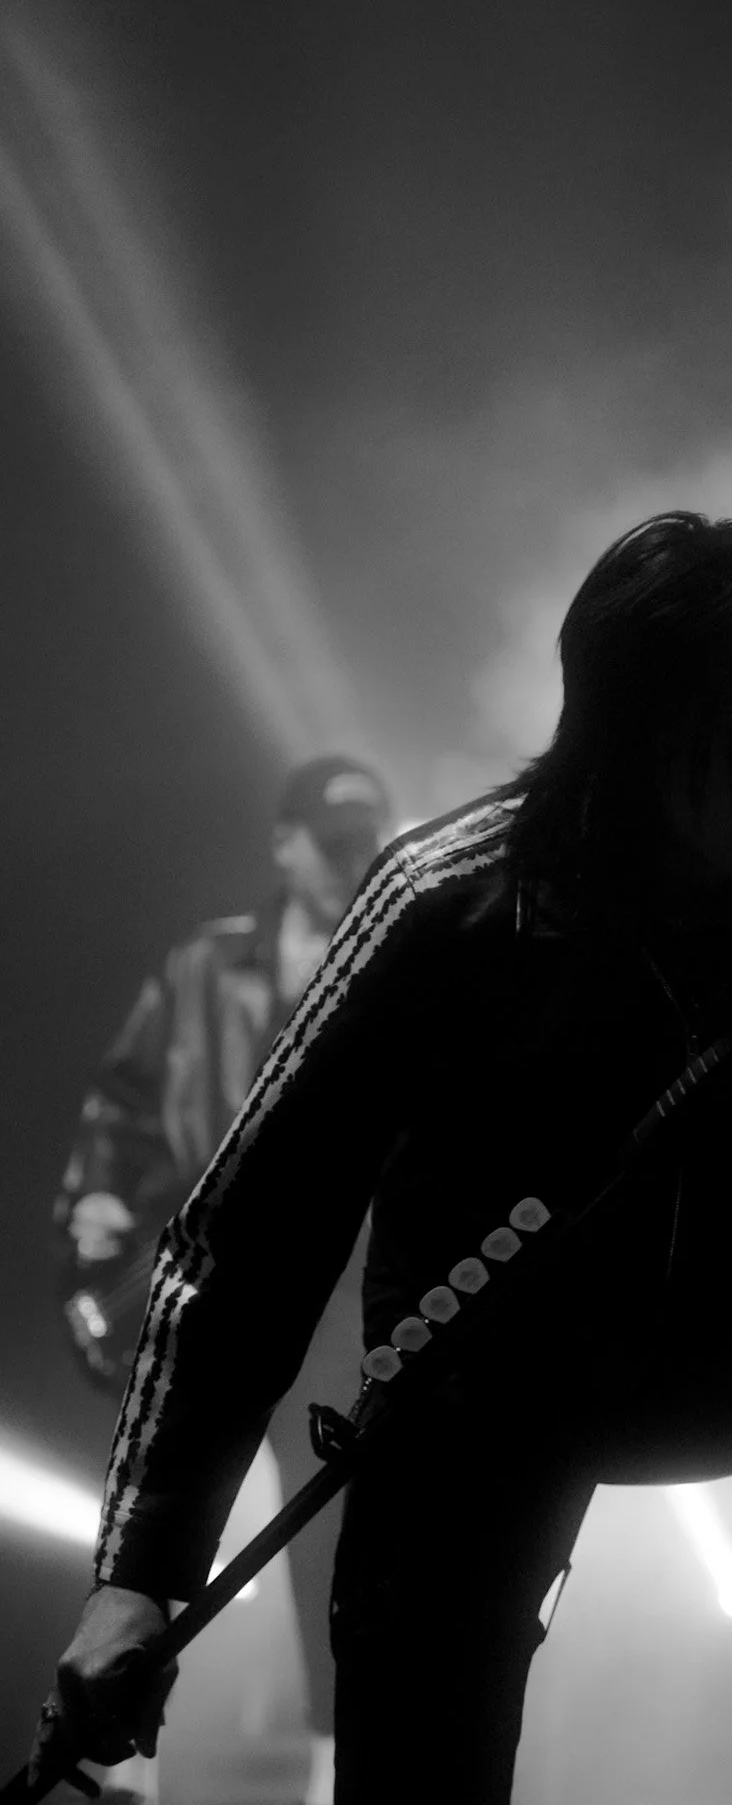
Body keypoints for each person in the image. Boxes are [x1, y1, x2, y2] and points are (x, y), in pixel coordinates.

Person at [32, 515, 732, 1805]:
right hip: (483, 1382)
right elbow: (250, 1234)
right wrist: (138, 1576)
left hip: (719, 1335)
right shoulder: (447, 896)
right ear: (640, 745)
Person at [52, 754, 392, 1805]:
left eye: (363, 844)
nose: (350, 863)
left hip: (338, 1303)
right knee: (144, 1518)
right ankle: (108, 1763)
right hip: (209, 1288)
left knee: (329, 1535)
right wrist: (93, 1211)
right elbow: (125, 1097)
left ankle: (336, 1767)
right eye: (332, 845)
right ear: (284, 844)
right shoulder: (204, 963)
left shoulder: (400, 954)